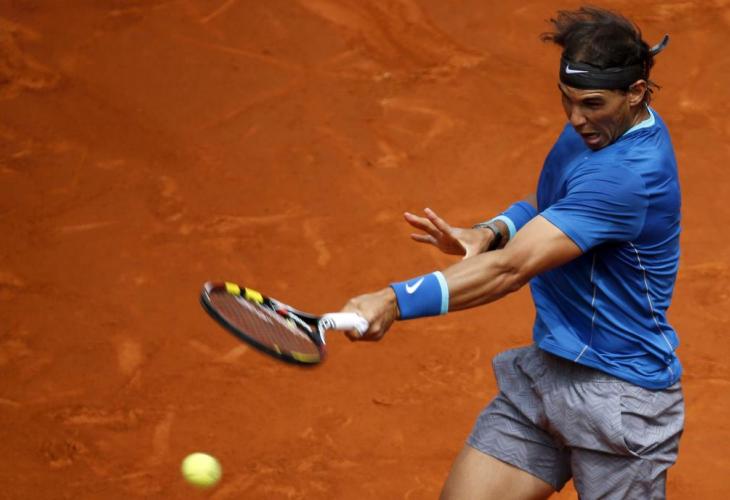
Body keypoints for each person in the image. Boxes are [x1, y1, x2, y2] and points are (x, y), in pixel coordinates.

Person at [340, 6, 684, 500]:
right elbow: (551, 205)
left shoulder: (628, 175)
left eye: (592, 104)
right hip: (549, 372)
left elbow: (510, 269)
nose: (575, 119)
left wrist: (394, 301)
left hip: (619, 399)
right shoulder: (596, 130)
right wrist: (491, 230)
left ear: (635, 92)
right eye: (567, 100)